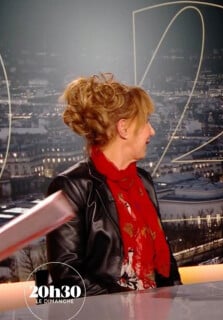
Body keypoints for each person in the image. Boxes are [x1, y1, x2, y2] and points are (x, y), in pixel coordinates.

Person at [45, 73, 182, 296]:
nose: (152, 131)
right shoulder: (72, 187)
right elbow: (67, 277)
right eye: (146, 120)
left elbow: (165, 260)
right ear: (124, 128)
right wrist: (128, 301)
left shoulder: (143, 181)